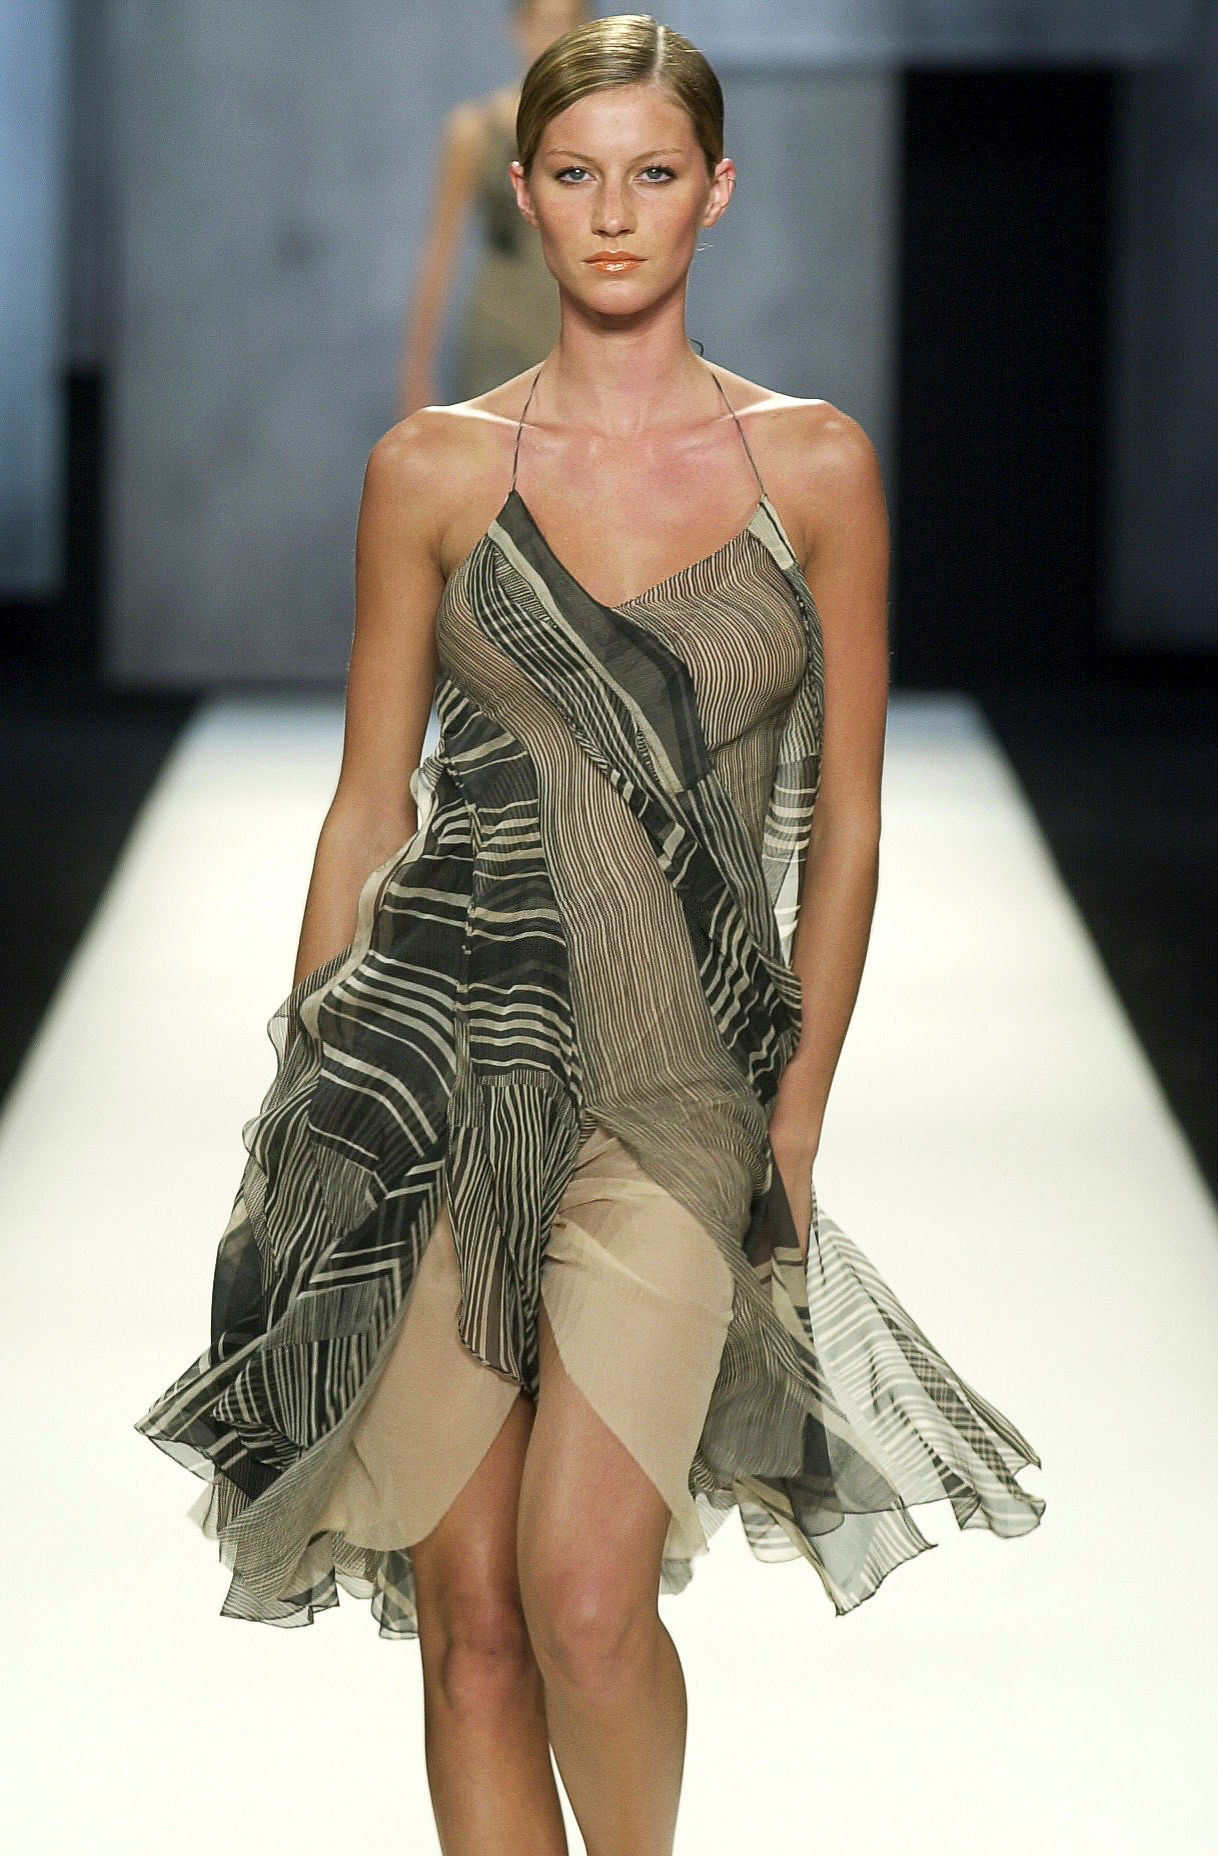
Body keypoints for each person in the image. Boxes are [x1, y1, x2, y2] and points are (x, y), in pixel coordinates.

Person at [136, 16, 1045, 1855]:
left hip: (681, 1089)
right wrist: (303, 1112)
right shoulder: (430, 471)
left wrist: (795, 1115)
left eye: (651, 174)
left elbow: (848, 821)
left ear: (715, 191)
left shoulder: (812, 468)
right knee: (471, 1629)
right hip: (436, 1064)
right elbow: (368, 805)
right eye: (575, 175)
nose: (613, 213)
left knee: (581, 1597)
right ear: (525, 195)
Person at [398, 0, 589, 416]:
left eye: (568, 24)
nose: (554, 39)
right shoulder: (475, 130)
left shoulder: (601, 131)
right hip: (500, 326)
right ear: (519, 28)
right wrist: (415, 372)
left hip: (578, 327)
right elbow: (441, 249)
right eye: (545, 24)